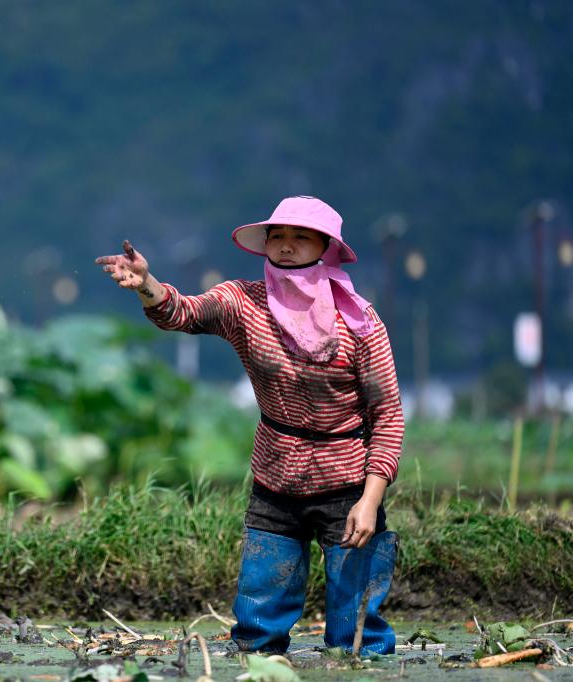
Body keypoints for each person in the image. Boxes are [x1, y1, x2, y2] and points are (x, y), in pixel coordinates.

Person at [94, 195, 403, 655]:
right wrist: (146, 284)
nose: (285, 246)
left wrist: (370, 499)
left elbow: (388, 416)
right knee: (257, 629)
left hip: (348, 483)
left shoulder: (359, 323)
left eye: (300, 237)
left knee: (356, 636)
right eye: (277, 236)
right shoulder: (245, 303)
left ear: (327, 248)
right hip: (275, 479)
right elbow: (184, 312)